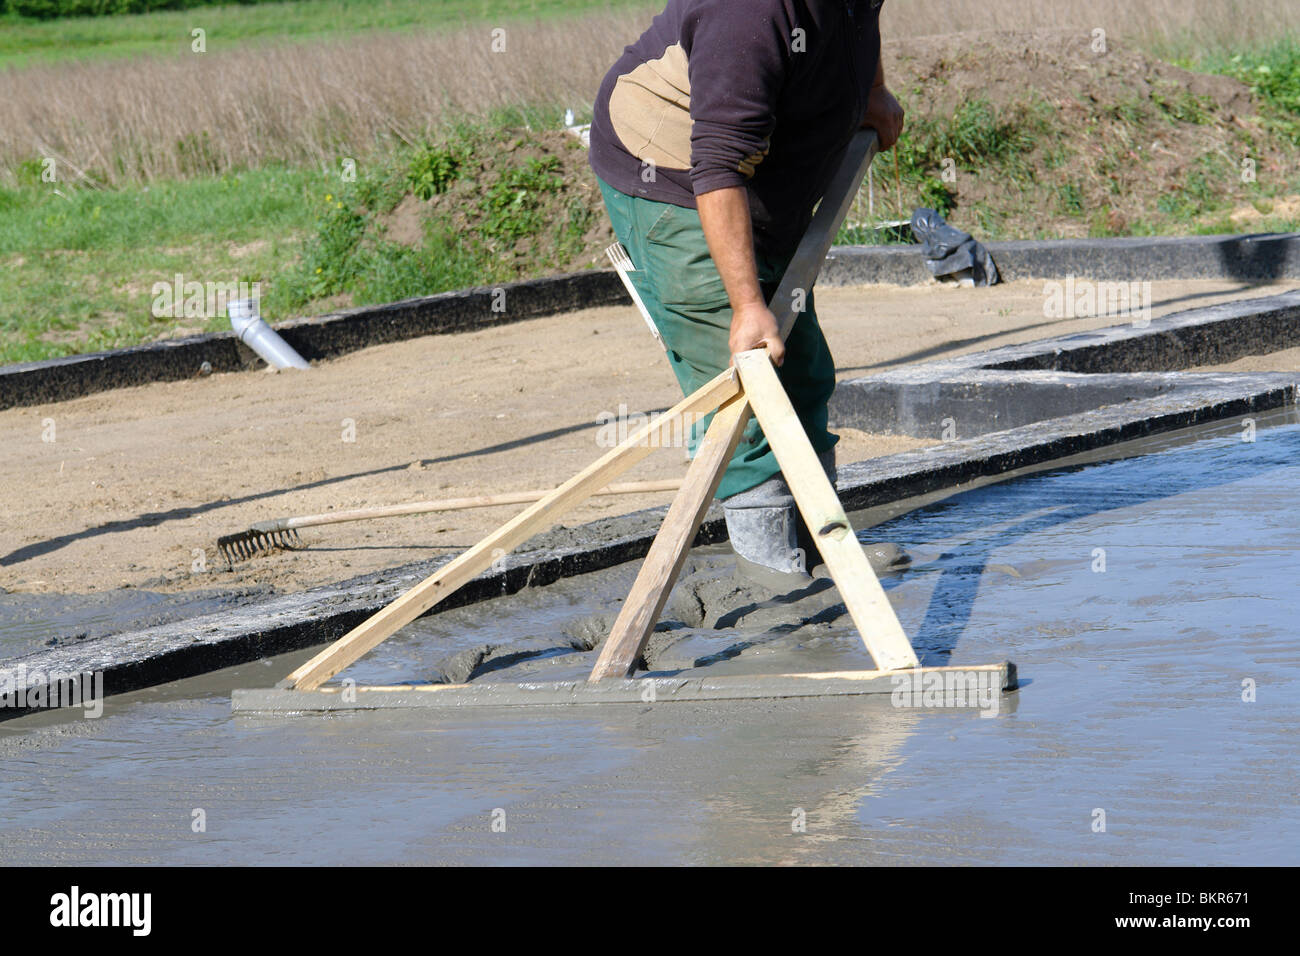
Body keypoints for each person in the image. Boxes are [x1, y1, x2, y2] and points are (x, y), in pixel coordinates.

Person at [589, 0, 906, 589]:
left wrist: (871, 89)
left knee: (803, 365)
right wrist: (745, 306)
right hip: (675, 178)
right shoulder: (744, 11)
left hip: (758, 173)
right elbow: (716, 164)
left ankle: (822, 541)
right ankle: (765, 568)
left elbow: (857, 22)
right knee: (746, 377)